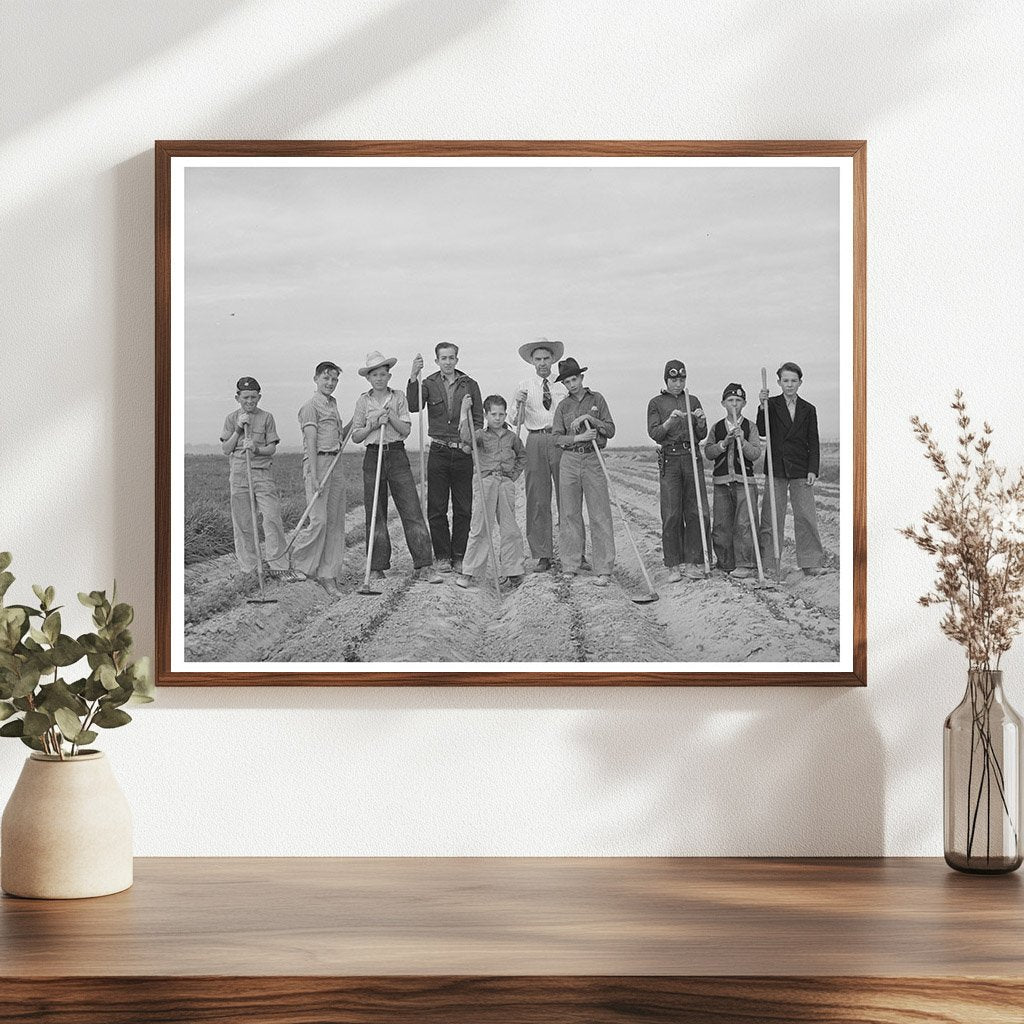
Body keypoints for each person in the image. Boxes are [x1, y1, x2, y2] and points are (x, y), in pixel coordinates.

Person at [353, 351, 442, 584]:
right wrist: (373, 425)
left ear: (389, 376)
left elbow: (405, 430)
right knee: (376, 512)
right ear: (368, 378)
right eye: (375, 375)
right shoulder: (363, 401)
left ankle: (424, 565)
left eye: (383, 374)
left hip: (396, 454)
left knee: (411, 508)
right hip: (373, 456)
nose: (379, 378)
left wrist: (390, 417)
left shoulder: (399, 397)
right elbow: (356, 436)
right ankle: (376, 567)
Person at [406, 343, 482, 573]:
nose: (448, 362)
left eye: (451, 358)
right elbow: (414, 406)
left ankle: (459, 556)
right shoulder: (428, 383)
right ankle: (442, 556)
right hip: (438, 450)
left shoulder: (470, 384)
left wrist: (471, 444)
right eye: (443, 358)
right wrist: (413, 376)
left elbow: (478, 419)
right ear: (437, 361)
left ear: (457, 359)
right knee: (437, 507)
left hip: (462, 451)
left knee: (463, 507)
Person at [219, 375, 294, 579]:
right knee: (243, 523)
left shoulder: (267, 417)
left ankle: (279, 567)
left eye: (253, 397)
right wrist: (238, 429)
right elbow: (226, 449)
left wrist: (256, 449)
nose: (250, 401)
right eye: (245, 397)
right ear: (237, 398)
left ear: (259, 397)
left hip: (262, 474)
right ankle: (250, 569)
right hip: (239, 475)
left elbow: (271, 449)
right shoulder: (231, 419)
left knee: (272, 518)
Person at [550, 357, 616, 587]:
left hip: (593, 458)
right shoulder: (563, 407)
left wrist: (590, 419)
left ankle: (604, 569)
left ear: (581, 377)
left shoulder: (597, 399)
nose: (572, 385)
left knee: (600, 514)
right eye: (567, 382)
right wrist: (578, 437)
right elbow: (556, 437)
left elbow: (610, 430)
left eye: (574, 379)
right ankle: (570, 565)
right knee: (569, 514)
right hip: (569, 460)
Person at [757, 361, 826, 576]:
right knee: (771, 517)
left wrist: (812, 469)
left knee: (806, 515)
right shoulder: (770, 404)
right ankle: (769, 563)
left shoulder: (808, 409)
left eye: (793, 381)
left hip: (801, 468)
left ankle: (811, 562)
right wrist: (762, 406)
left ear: (800, 382)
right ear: (779, 382)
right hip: (776, 467)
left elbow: (813, 441)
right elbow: (762, 431)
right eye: (785, 380)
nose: (789, 384)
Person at [509, 338, 571, 573]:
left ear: (553, 359)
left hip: (560, 440)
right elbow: (514, 420)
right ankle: (543, 554)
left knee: (568, 496)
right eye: (538, 359)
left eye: (546, 358)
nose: (543, 363)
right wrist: (518, 403)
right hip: (535, 440)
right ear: (532, 362)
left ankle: (573, 552)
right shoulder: (524, 385)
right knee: (537, 498)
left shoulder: (564, 385)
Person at [646, 360, 711, 582]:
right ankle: (673, 564)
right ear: (666, 380)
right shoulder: (656, 403)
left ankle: (693, 562)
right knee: (672, 512)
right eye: (673, 379)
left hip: (692, 456)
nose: (678, 384)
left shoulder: (692, 400)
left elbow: (701, 434)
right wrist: (669, 422)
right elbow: (655, 434)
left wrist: (701, 422)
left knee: (696, 510)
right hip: (670, 459)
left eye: (681, 379)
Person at [455, 394, 527, 590]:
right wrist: (464, 412)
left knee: (510, 528)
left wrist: (513, 475)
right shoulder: (480, 435)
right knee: (479, 526)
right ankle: (469, 572)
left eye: (501, 414)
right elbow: (466, 438)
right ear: (486, 415)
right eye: (493, 414)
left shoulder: (512, 437)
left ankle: (513, 572)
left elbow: (522, 456)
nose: (498, 418)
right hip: (485, 481)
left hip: (505, 482)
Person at [290, 360, 348, 597]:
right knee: (319, 520)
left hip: (336, 463)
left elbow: (340, 436)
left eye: (334, 379)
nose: (330, 383)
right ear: (316, 379)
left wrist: (357, 421)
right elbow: (311, 442)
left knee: (335, 522)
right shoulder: (310, 406)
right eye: (326, 378)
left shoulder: (333, 404)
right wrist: (314, 476)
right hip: (319, 463)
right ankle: (300, 565)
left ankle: (328, 574)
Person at [704, 383, 762, 579]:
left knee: (745, 523)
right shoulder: (717, 427)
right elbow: (708, 452)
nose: (734, 404)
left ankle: (746, 564)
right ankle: (725, 563)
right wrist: (724, 443)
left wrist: (742, 441)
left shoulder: (750, 426)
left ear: (744, 403)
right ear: (723, 403)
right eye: (730, 400)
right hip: (721, 483)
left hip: (745, 482)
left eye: (738, 400)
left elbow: (755, 454)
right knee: (721, 524)